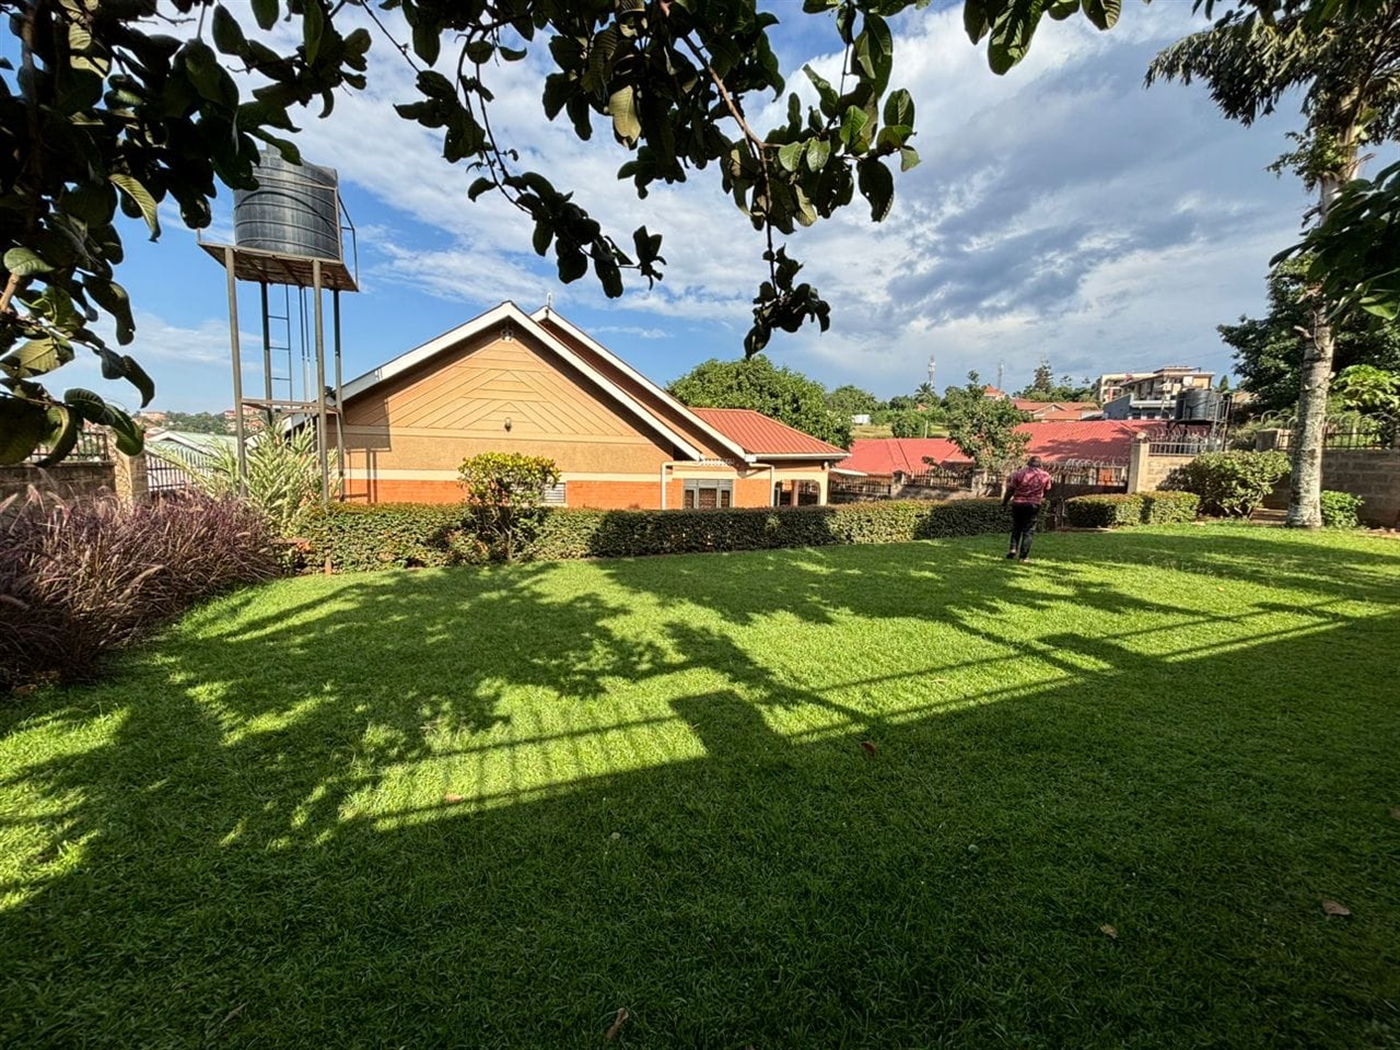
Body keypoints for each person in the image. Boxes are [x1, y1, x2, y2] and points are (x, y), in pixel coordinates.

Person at [1001, 455, 1053, 562]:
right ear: (1040, 464)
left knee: (1017, 527)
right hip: (1033, 504)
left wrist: (1004, 503)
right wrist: (1040, 496)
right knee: (1028, 530)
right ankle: (1023, 556)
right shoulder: (1045, 475)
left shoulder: (1018, 474)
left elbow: (1010, 490)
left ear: (1028, 463)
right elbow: (1047, 489)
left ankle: (1013, 549)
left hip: (1018, 503)